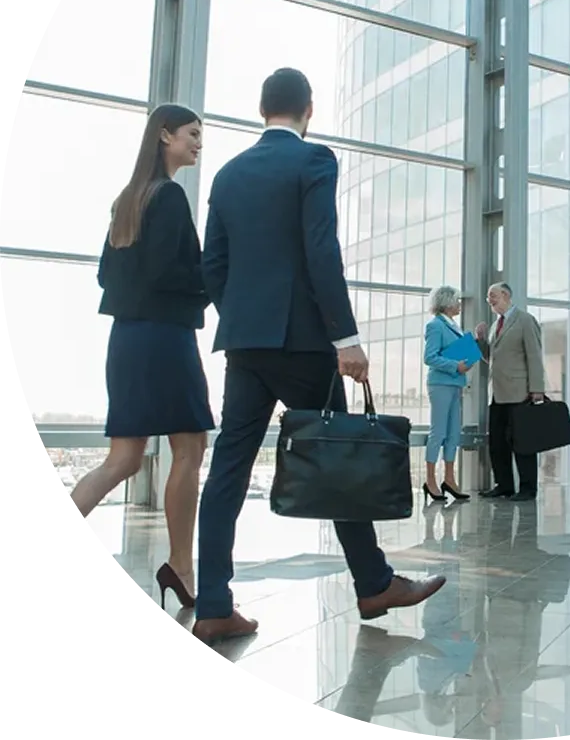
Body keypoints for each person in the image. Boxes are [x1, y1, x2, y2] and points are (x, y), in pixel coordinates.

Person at [192, 68, 445, 644]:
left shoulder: (229, 174)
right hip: (305, 342)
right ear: (309, 108)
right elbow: (320, 248)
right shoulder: (314, 161)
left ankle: (212, 604)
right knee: (337, 454)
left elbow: (214, 266)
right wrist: (344, 337)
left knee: (228, 469)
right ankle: (375, 582)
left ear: (262, 109)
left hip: (245, 342)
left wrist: (244, 316)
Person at [71, 104, 213, 610]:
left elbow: (107, 276)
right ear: (164, 135)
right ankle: (181, 564)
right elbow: (166, 275)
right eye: (193, 134)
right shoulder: (170, 197)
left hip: (127, 340)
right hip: (165, 339)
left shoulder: (128, 199)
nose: (199, 142)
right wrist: (210, 279)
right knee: (189, 448)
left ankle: (179, 564)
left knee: (124, 458)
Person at [473, 282, 546, 502]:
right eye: (488, 298)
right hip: (497, 393)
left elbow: (534, 355)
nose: (489, 301)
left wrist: (537, 389)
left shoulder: (524, 320)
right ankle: (503, 485)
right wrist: (481, 340)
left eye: (492, 296)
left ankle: (527, 488)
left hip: (519, 392)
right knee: (497, 442)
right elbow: (491, 360)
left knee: (522, 442)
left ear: (505, 295)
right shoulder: (497, 325)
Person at [422, 285, 472, 505]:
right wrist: (455, 366)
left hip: (455, 384)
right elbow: (429, 357)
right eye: (457, 301)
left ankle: (450, 479)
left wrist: (466, 361)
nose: (460, 304)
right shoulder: (435, 326)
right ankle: (430, 480)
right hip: (440, 384)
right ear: (447, 302)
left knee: (453, 432)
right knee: (438, 431)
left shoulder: (454, 326)